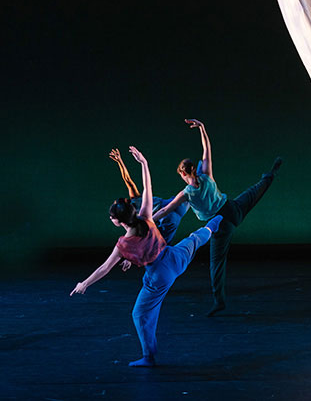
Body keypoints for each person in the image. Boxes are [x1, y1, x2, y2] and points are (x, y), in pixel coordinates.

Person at [71, 146, 222, 367]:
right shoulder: (146, 215)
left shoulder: (123, 244)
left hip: (159, 276)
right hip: (174, 258)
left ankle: (148, 357)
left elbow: (104, 269)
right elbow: (146, 185)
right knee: (194, 239)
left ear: (119, 221)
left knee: (140, 315)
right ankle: (215, 224)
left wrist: (84, 283)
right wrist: (143, 162)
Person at [152, 119, 282, 316]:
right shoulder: (206, 175)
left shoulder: (185, 193)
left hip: (220, 225)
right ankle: (269, 175)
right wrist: (202, 128)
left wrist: (149, 219)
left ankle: (219, 301)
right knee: (254, 191)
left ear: (182, 174)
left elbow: (165, 210)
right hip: (233, 209)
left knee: (217, 263)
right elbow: (207, 150)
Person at [109, 147, 190, 245]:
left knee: (161, 246)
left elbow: (127, 179)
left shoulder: (134, 205)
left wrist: (120, 161)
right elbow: (128, 180)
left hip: (167, 214)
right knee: (191, 193)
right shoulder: (134, 205)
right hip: (168, 214)